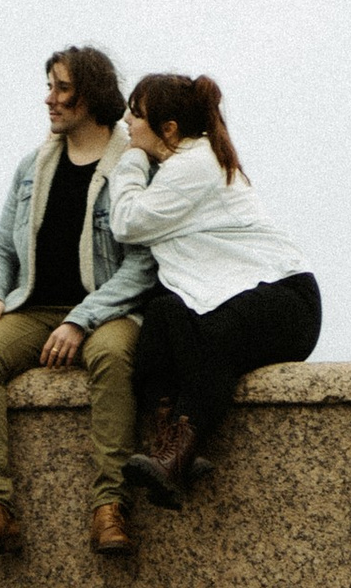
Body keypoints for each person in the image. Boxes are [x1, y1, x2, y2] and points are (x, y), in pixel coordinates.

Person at [0, 46, 154, 562]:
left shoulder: (132, 165)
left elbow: (143, 263)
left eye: (62, 89)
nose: (50, 99)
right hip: (36, 307)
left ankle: (110, 506)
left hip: (106, 309)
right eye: (49, 87)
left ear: (93, 94)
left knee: (112, 357)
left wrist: (81, 321)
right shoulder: (32, 167)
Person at [107, 74, 321, 507]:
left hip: (284, 299)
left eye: (137, 114)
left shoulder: (193, 165)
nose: (127, 121)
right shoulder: (185, 164)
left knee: (211, 343)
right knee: (163, 317)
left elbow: (127, 221)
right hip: (240, 296)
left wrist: (130, 160)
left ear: (168, 130)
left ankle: (177, 456)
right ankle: (175, 451)